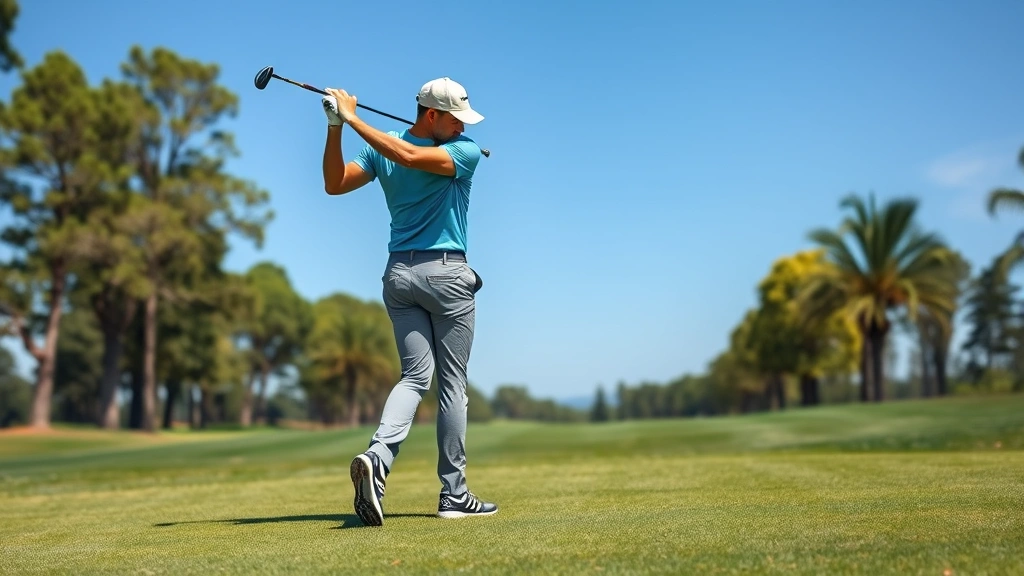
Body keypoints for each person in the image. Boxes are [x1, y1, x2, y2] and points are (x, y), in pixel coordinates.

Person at [320, 77, 497, 527]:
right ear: (432, 115)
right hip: (446, 275)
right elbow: (336, 184)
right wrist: (336, 127)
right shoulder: (462, 150)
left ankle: (377, 461)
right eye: (456, 119)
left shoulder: (456, 150)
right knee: (452, 384)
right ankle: (454, 495)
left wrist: (347, 121)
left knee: (415, 377)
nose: (463, 128)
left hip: (400, 275)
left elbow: (407, 154)